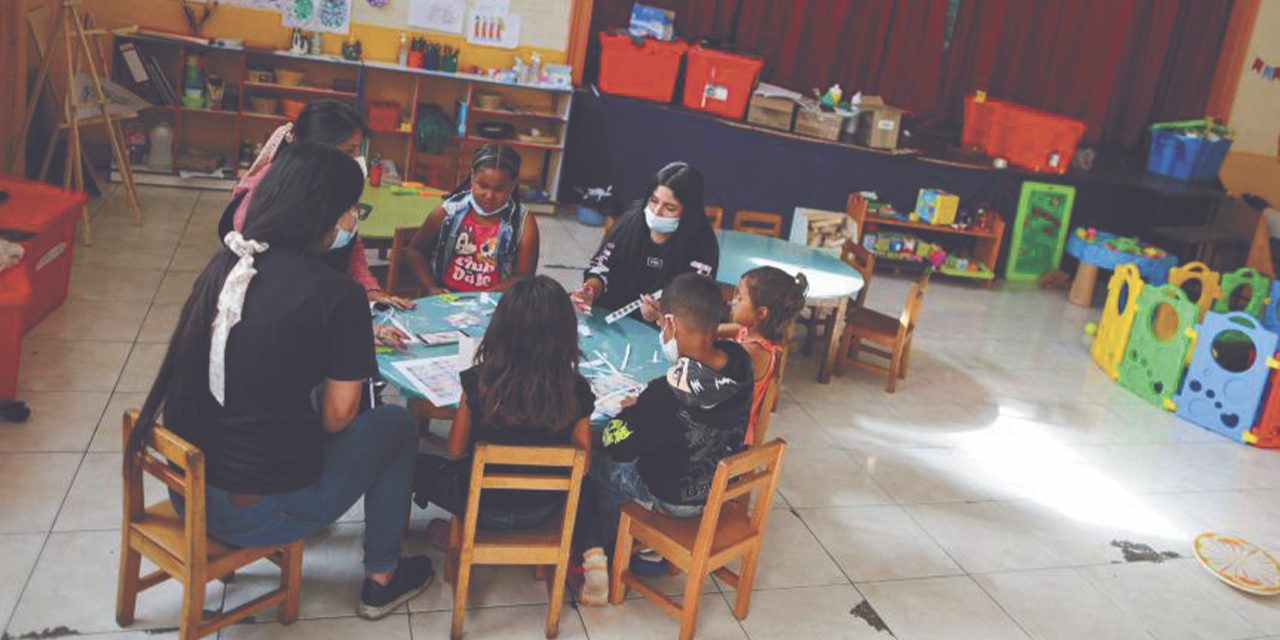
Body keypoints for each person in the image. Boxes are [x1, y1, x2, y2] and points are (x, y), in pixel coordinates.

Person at [131, 142, 433, 621]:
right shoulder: (338, 297)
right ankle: (382, 577)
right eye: (352, 209)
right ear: (326, 216)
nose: (354, 220)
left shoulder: (226, 266)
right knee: (394, 425)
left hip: (187, 494)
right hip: (253, 513)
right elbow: (338, 419)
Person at [575, 273, 753, 604]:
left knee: (596, 465)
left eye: (660, 326)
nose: (661, 333)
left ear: (669, 324)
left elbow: (619, 443)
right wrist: (647, 409)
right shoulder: (740, 361)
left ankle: (610, 550)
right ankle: (642, 549)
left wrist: (630, 413)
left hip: (676, 499)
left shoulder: (665, 395)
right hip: (719, 486)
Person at [412, 276, 594, 534]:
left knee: (411, 464)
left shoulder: (480, 381)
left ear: (500, 329)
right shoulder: (576, 389)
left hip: (481, 506)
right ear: (566, 333)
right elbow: (583, 465)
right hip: (544, 508)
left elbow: (454, 450)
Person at [218, 100, 415, 312]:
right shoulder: (266, 197)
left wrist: (370, 292)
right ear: (317, 148)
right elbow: (275, 286)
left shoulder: (333, 183)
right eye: (350, 150)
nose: (357, 159)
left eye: (358, 150)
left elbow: (351, 249)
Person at [571, 162, 719, 322]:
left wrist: (662, 315)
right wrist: (591, 289)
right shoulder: (631, 220)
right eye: (654, 200)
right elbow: (602, 266)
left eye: (670, 208)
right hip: (611, 318)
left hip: (664, 332)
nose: (656, 212)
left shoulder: (703, 245)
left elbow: (693, 307)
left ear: (689, 212)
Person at [406, 144, 539, 293]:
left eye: (499, 189)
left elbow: (524, 277)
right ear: (472, 176)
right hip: (447, 299)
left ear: (513, 185)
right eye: (483, 185)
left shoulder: (524, 222)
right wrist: (430, 287)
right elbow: (416, 251)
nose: (489, 195)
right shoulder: (448, 211)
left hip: (493, 304)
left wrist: (486, 297)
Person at [718, 267, 808, 445]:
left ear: (761, 313)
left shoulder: (755, 352)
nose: (732, 301)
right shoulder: (745, 331)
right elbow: (710, 332)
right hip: (723, 423)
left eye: (740, 298)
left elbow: (711, 368)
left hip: (731, 438)